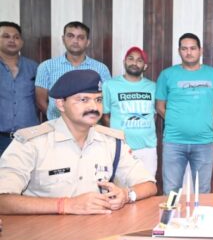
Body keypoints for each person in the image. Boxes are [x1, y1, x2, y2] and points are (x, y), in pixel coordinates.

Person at [0, 70, 157, 215]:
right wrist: (66, 205)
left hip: (97, 230)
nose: (94, 107)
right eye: (83, 99)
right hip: (45, 233)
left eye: (98, 99)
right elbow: (3, 200)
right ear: (61, 104)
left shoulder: (112, 142)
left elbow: (149, 184)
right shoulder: (32, 143)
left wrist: (126, 195)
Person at [156, 33, 213, 194]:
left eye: (193, 48)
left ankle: (199, 213)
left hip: (204, 142)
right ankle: (172, 212)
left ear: (200, 50)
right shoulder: (167, 75)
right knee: (171, 191)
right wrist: (175, 120)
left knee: (203, 191)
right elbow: (160, 106)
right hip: (173, 142)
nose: (189, 52)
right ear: (179, 51)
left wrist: (204, 119)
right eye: (184, 49)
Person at [35, 21, 111, 120]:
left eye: (81, 37)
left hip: (91, 125)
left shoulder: (101, 68)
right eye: (70, 36)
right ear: (63, 39)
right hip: (57, 125)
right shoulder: (46, 67)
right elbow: (41, 101)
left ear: (88, 42)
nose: (75, 41)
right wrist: (58, 120)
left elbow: (106, 100)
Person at [102, 47, 157, 177]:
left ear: (145, 66)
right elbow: (105, 116)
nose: (134, 63)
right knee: (120, 186)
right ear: (124, 62)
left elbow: (154, 115)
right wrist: (118, 136)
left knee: (148, 184)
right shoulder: (109, 85)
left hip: (147, 149)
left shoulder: (153, 87)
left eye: (139, 60)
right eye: (130, 59)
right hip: (120, 147)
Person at [0, 22, 39, 155]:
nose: (12, 40)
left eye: (16, 37)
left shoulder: (34, 67)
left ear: (22, 42)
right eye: (6, 36)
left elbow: (41, 99)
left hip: (29, 138)